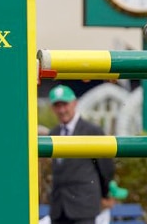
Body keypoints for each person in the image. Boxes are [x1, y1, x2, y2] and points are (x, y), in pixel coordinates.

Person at [47, 85, 116, 224]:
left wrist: (105, 193)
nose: (62, 110)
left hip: (84, 206)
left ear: (74, 103)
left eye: (65, 104)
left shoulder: (92, 131)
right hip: (58, 209)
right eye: (57, 106)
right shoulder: (53, 133)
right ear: (52, 108)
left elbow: (105, 167)